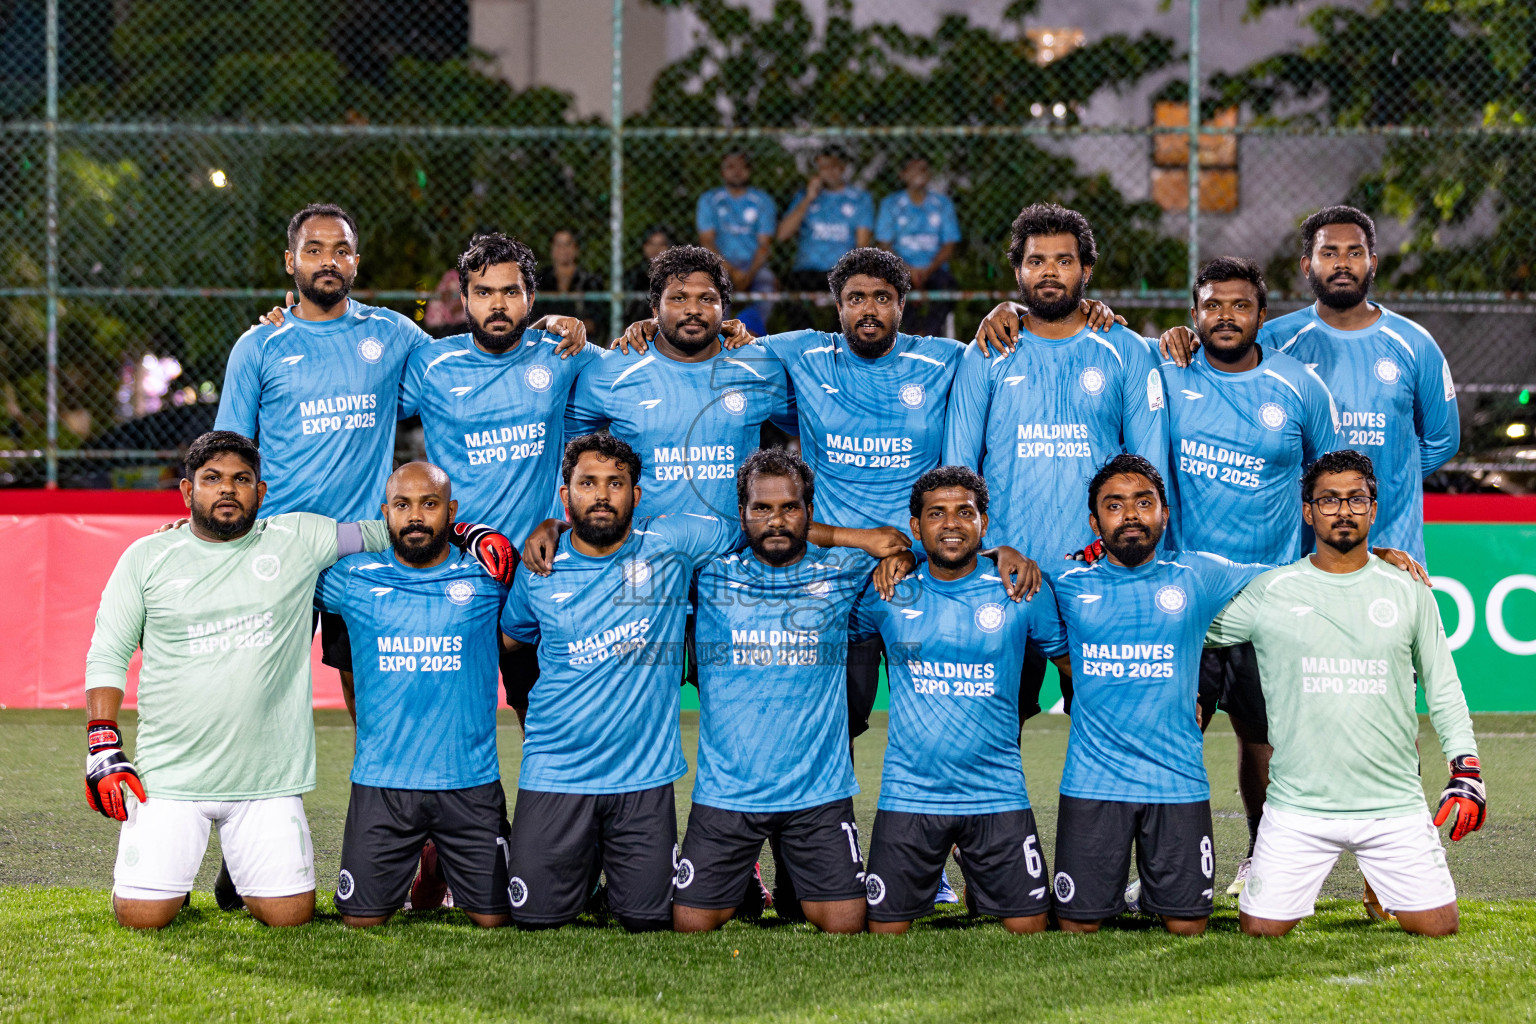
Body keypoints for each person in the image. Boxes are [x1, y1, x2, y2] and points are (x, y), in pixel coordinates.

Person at [81, 431, 513, 930]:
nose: (227, 489)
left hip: (267, 780)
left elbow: (392, 530)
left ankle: (237, 867)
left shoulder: (299, 539)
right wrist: (103, 743)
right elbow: (107, 651)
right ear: (186, 492)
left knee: (290, 917)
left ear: (260, 493)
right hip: (169, 776)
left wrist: (469, 533)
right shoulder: (146, 557)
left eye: (241, 480)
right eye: (212, 479)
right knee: (142, 916)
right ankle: (178, 872)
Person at [501, 434, 908, 932]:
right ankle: (579, 869)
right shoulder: (547, 567)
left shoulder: (678, 546)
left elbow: (918, 559)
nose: (602, 495)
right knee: (542, 919)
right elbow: (513, 639)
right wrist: (550, 530)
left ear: (636, 494)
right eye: (588, 484)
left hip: (664, 779)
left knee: (659, 920)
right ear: (566, 496)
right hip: (578, 774)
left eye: (615, 484)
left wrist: (870, 544)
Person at [1205, 449, 1484, 937]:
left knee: (1439, 927)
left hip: (1392, 804)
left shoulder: (1409, 588)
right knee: (1260, 930)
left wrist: (1467, 767)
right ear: (1308, 511)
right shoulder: (1272, 590)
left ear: (1373, 510)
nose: (1343, 510)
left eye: (1356, 499)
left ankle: (1383, 885)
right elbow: (1190, 628)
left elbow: (1443, 685)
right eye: (1328, 500)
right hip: (1298, 806)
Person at [1159, 256, 1341, 895]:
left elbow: (1333, 482)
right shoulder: (1168, 374)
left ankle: (1266, 867)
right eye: (1212, 305)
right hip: (1184, 600)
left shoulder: (1299, 386)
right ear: (1195, 314)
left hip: (1271, 599)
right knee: (1173, 740)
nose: (1225, 316)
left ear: (1262, 315)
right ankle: (1173, 874)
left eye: (1239, 305)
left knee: (1264, 742)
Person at [947, 203, 1169, 720]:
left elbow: (1148, 473)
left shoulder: (1125, 350)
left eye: (1064, 261)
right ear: (1018, 271)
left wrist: (1122, 554)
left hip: (1097, 570)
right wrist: (987, 551)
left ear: (1086, 271)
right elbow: (958, 471)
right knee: (993, 727)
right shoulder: (986, 351)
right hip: (1005, 573)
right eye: (1036, 260)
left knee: (1109, 722)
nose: (1049, 271)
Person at [1159, 205, 1459, 564]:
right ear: (1307, 266)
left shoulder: (1415, 343)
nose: (1342, 263)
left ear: (1373, 263)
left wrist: (1390, 475)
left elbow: (1443, 440)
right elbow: (1225, 371)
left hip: (1395, 547)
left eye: (1355, 253)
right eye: (1329, 253)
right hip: (1307, 556)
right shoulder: (1274, 340)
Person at [856, 466, 1072, 934]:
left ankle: (982, 882)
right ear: (917, 527)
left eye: (964, 512)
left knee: (1031, 928)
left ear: (983, 522)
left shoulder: (1021, 589)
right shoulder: (886, 592)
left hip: (997, 792)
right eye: (937, 514)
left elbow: (1074, 668)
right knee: (882, 931)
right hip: (909, 794)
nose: (951, 523)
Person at [674, 449, 875, 935]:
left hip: (818, 791)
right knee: (690, 925)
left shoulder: (845, 570)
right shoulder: (708, 573)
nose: (776, 520)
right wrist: (553, 528)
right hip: (729, 792)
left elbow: (907, 546)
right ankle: (744, 879)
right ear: (741, 514)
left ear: (809, 511)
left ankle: (790, 877)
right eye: (761, 508)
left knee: (846, 925)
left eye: (790, 507)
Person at [316, 462, 514, 929]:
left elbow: (559, 561)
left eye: (430, 504)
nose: (416, 517)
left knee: (497, 921)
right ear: (386, 513)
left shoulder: (489, 578)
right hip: (383, 784)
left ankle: (438, 871)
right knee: (361, 921)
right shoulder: (351, 577)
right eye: (403, 505)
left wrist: (481, 537)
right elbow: (276, 564)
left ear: (452, 512)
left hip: (470, 783)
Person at [569, 244, 791, 519]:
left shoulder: (758, 366)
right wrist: (558, 520)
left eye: (707, 299)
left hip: (735, 554)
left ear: (724, 308)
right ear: (654, 308)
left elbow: (815, 431)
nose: (693, 310)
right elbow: (554, 442)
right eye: (678, 298)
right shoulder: (612, 369)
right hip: (644, 552)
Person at [777, 146, 875, 330]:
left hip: (842, 269)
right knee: (790, 291)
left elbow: (862, 244)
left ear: (843, 167)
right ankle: (807, 342)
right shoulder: (804, 197)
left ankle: (835, 345)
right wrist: (808, 198)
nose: (829, 171)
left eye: (834, 166)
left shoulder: (859, 199)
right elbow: (782, 234)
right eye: (823, 167)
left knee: (852, 297)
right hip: (807, 269)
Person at [875, 156, 961, 337]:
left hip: (933, 268)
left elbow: (949, 245)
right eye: (913, 169)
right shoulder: (890, 204)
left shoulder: (942, 204)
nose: (919, 174)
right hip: (900, 267)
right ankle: (912, 334)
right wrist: (907, 269)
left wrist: (927, 270)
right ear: (903, 175)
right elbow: (884, 244)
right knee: (893, 288)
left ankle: (929, 335)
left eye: (923, 169)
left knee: (948, 287)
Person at [697, 152, 778, 336]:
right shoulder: (709, 200)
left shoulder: (763, 201)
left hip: (754, 265)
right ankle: (718, 336)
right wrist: (731, 271)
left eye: (741, 166)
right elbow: (707, 241)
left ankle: (749, 333)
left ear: (749, 171)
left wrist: (748, 274)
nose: (736, 172)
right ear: (722, 171)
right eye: (730, 166)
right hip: (718, 264)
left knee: (767, 283)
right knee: (711, 292)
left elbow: (765, 245)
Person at [536, 229, 607, 342]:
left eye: (567, 244)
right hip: (545, 339)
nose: (563, 249)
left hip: (580, 340)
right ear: (552, 249)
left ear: (576, 249)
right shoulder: (540, 279)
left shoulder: (589, 281)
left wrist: (569, 330)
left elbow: (595, 321)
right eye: (558, 244)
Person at [623, 226, 673, 327]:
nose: (656, 249)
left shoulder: (677, 275)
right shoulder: (633, 275)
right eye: (651, 244)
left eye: (661, 244)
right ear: (644, 246)